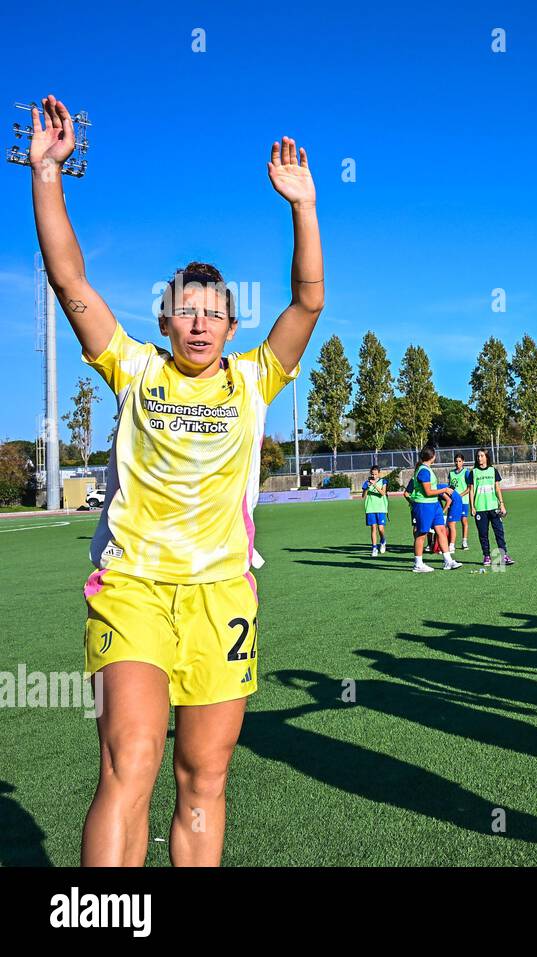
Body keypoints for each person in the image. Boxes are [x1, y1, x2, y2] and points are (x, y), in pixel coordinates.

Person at [29, 93, 324, 865]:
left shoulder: (254, 379)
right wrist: (47, 173)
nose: (198, 323)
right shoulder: (132, 367)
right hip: (131, 586)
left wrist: (305, 207)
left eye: (213, 313)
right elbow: (69, 281)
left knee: (206, 775)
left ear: (232, 325)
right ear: (163, 320)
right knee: (131, 762)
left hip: (222, 595)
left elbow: (308, 300)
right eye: (184, 311)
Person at [409, 446, 461, 572]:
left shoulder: (427, 469)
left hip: (434, 504)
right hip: (424, 505)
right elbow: (427, 492)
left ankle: (448, 561)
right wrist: (444, 490)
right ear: (432, 457)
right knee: (422, 534)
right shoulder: (423, 471)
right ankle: (418, 564)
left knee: (441, 530)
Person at [470, 449, 513, 566]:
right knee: (483, 534)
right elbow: (471, 490)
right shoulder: (473, 472)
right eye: (478, 456)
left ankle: (503, 556)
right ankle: (486, 556)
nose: (479, 458)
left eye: (482, 456)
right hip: (480, 508)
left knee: (499, 532)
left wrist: (502, 503)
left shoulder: (493, 471)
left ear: (486, 457)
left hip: (494, 507)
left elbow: (497, 488)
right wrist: (472, 506)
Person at [446, 454, 472, 550]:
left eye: (460, 461)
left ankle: (464, 541)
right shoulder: (451, 473)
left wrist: (458, 496)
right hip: (453, 502)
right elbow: (450, 487)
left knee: (463, 520)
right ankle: (451, 544)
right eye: (456, 461)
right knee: (451, 522)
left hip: (463, 501)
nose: (458, 463)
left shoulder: (466, 472)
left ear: (463, 462)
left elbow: (469, 488)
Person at [361, 466, 388, 556]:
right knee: (373, 528)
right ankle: (374, 548)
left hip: (381, 508)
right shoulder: (366, 482)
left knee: (380, 529)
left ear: (379, 474)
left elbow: (383, 493)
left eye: (376, 474)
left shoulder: (383, 481)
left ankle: (383, 541)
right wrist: (366, 488)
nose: (374, 476)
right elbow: (363, 496)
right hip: (370, 508)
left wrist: (374, 485)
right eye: (372, 474)